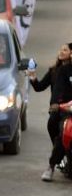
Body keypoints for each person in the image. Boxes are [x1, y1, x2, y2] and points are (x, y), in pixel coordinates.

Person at [29, 43, 72, 181]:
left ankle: (51, 166)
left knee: (63, 134)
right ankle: (61, 157)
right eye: (61, 49)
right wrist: (33, 78)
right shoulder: (54, 70)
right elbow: (39, 87)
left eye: (65, 50)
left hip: (69, 111)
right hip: (55, 111)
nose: (61, 52)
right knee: (53, 128)